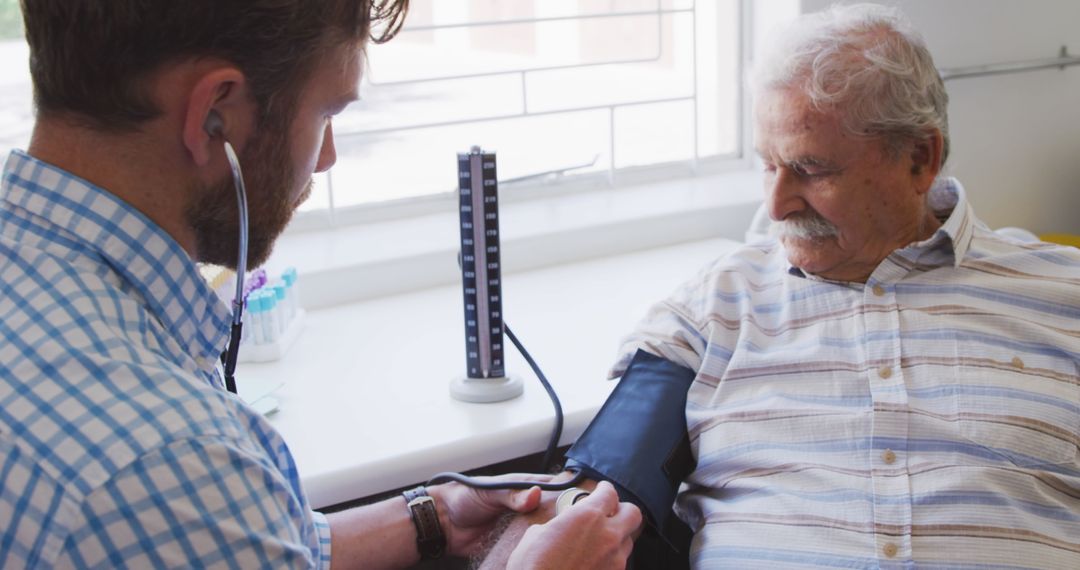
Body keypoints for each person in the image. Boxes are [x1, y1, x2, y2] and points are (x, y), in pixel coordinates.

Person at [0, 1, 641, 567]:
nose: (327, 155)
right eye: (326, 112)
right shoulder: (168, 460)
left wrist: (436, 516)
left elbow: (230, 543)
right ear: (214, 115)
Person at [481, 3, 1080, 568]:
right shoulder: (717, 305)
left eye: (812, 169)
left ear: (920, 159)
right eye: (767, 164)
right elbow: (586, 498)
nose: (775, 204)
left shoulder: (1064, 295)